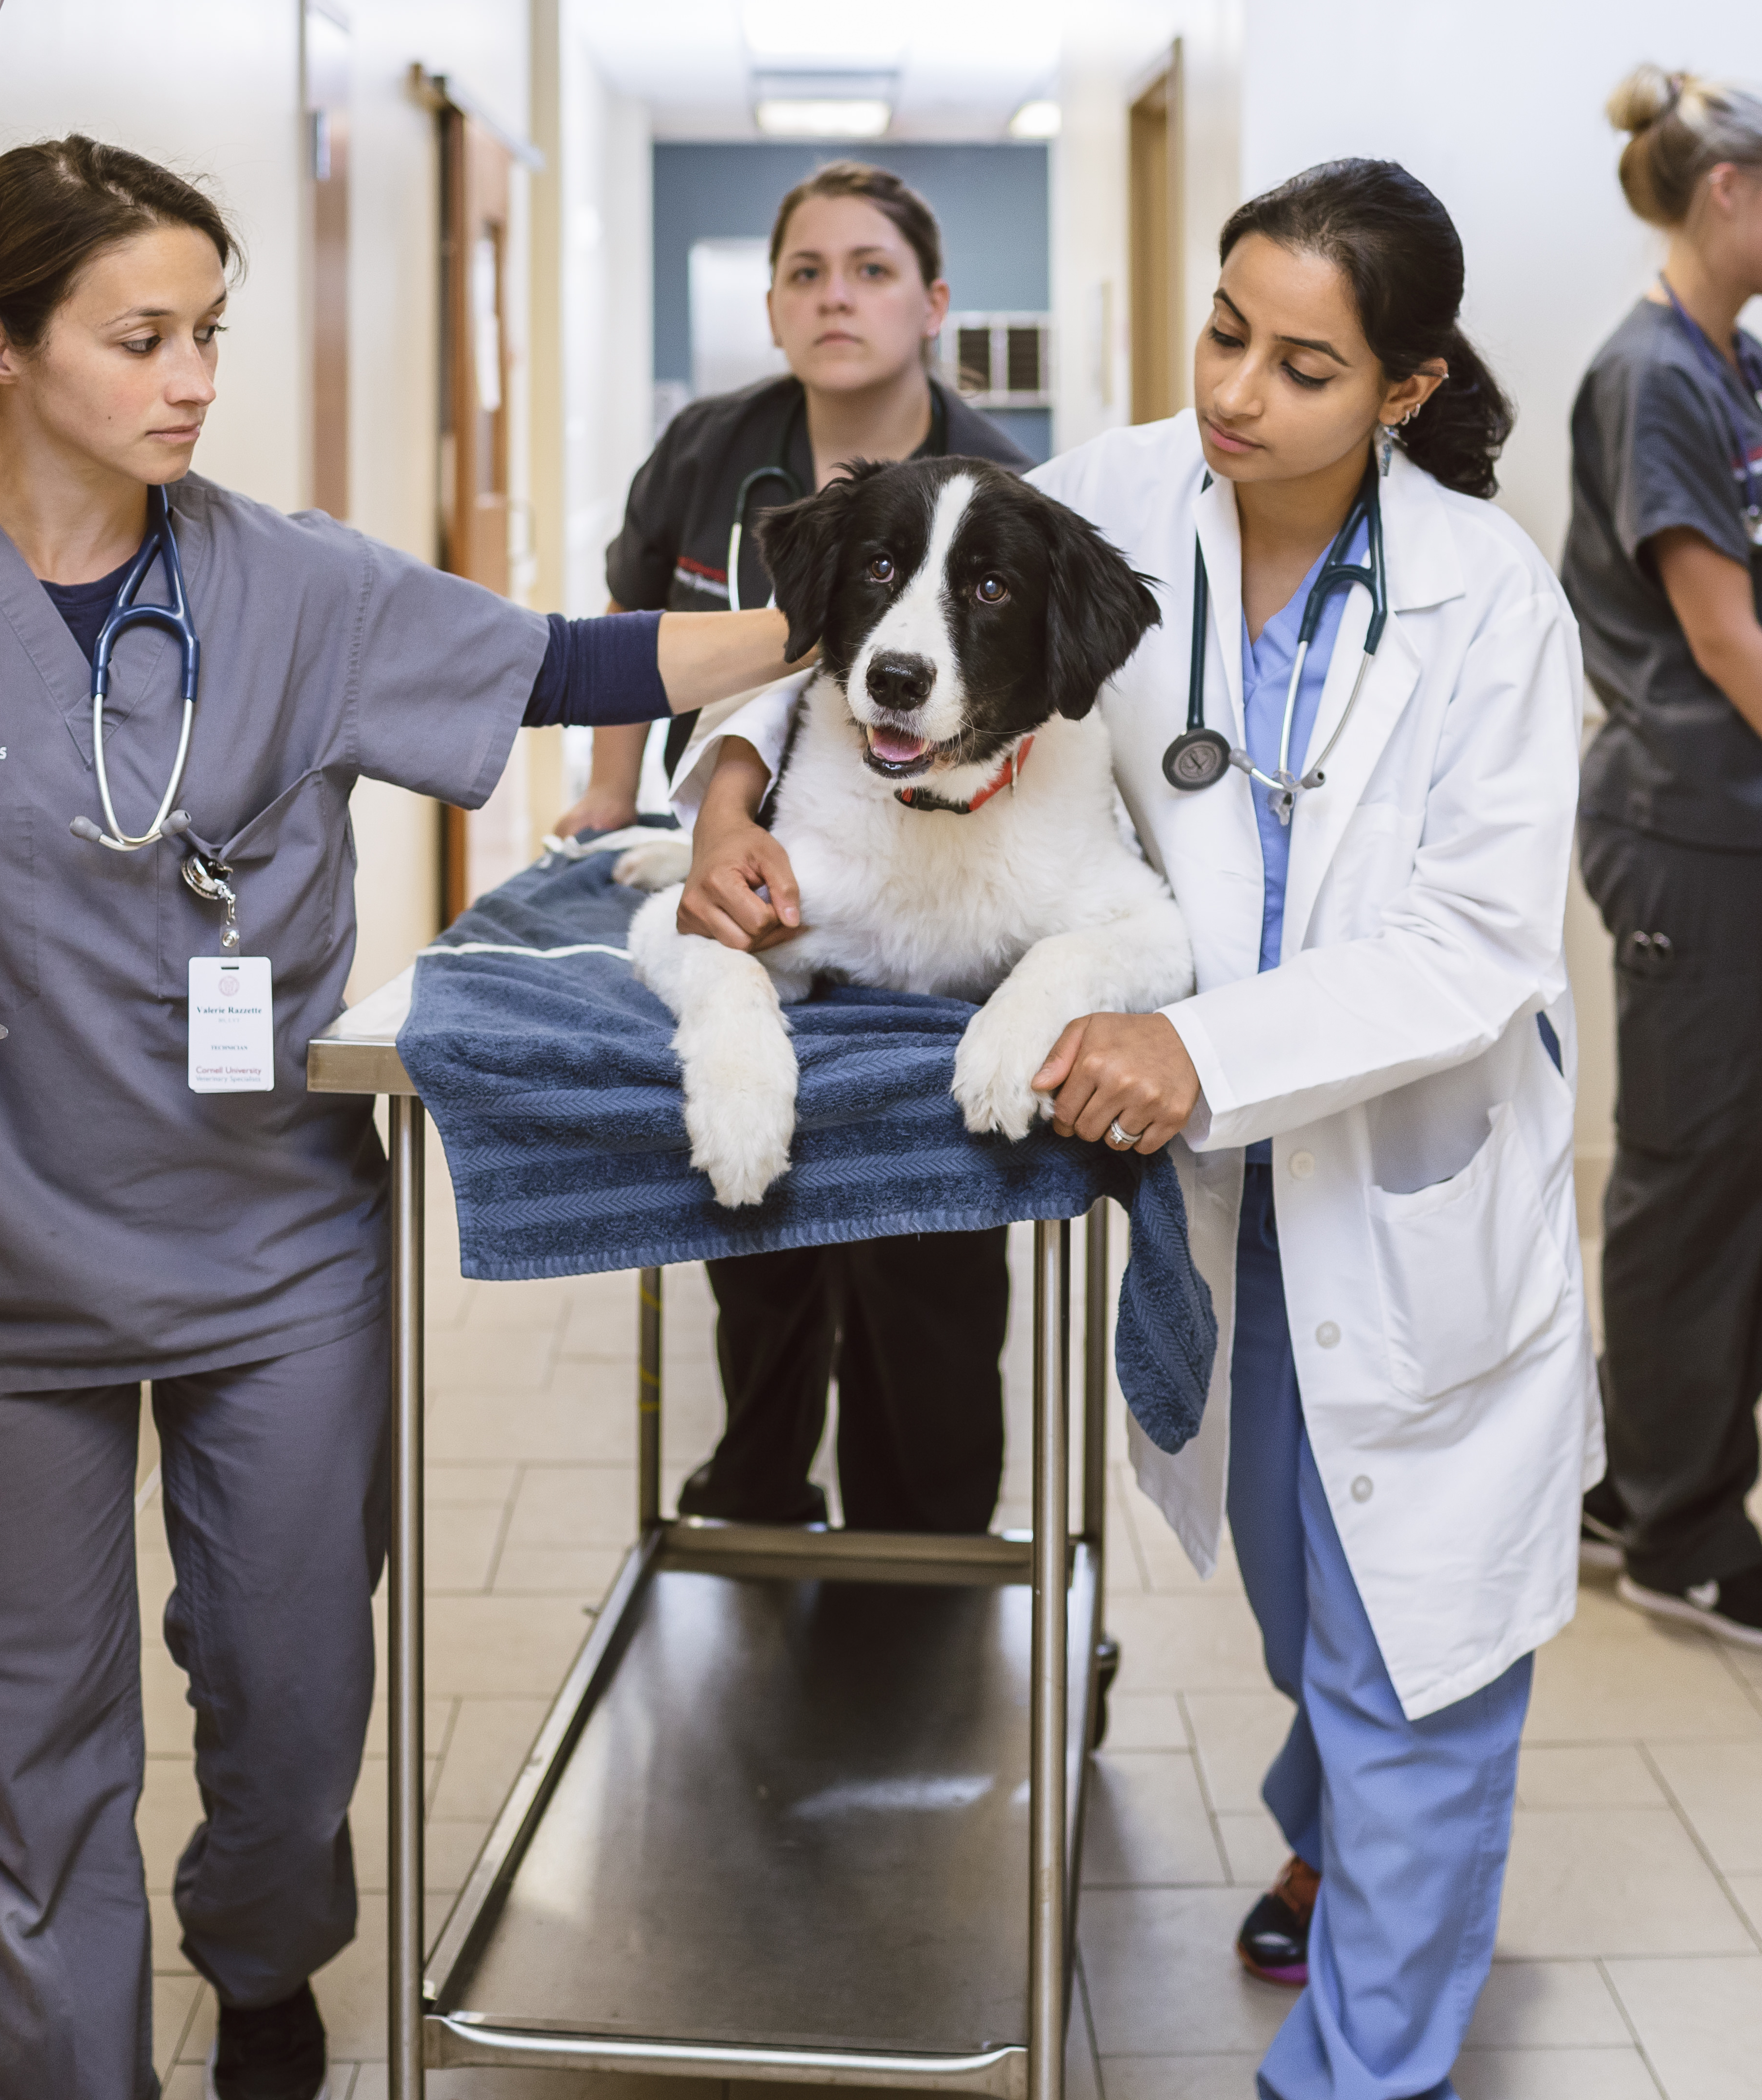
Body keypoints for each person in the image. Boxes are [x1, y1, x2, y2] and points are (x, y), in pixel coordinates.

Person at [0, 136, 798, 2100]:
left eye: (210, 329)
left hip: (272, 1255)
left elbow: (567, 662)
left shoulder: (289, 581)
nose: (196, 374)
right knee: (18, 1770)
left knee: (289, 1711)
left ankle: (265, 1952)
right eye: (144, 335)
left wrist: (868, 604)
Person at [672, 159, 1597, 2100]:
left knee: (1410, 1636)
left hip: (1397, 1171)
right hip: (1216, 1201)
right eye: (1225, 333)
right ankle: (1332, 1820)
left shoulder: (1487, 605)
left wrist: (1199, 1053)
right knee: (1289, 1556)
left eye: (1308, 365)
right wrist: (733, 783)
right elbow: (853, 635)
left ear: (1406, 392)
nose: (1241, 391)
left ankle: (1362, 2054)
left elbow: (1478, 945)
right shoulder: (1117, 495)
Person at [562, 161, 1036, 1534]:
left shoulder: (1000, 484)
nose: (839, 297)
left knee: (924, 1236)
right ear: (771, 306)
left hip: (925, 878)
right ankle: (759, 1488)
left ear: (934, 303)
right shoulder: (712, 446)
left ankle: (923, 1531)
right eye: (808, 273)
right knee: (751, 1198)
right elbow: (632, 617)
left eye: (873, 270)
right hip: (739, 851)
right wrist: (612, 797)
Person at [1560, 65, 1762, 1654]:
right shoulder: (1652, 375)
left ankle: (1633, 1470)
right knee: (1692, 1178)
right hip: (1696, 829)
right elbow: (1722, 639)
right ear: (1723, 191)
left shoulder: (1749, 363)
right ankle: (1683, 1531)